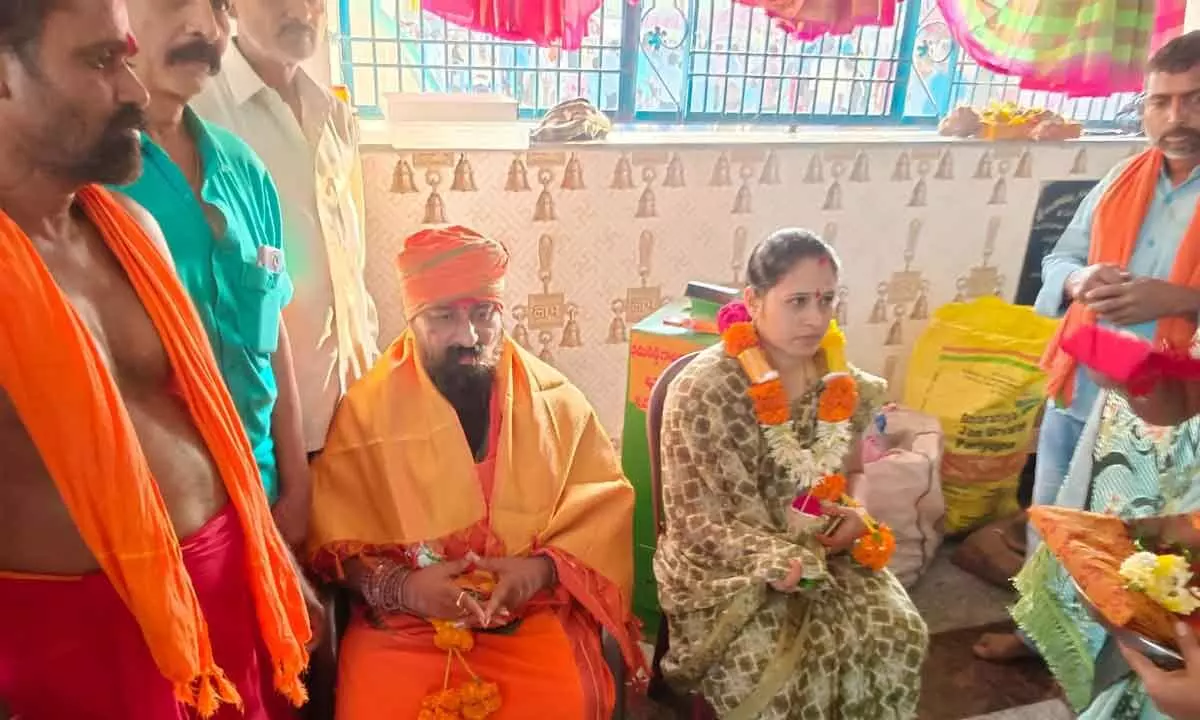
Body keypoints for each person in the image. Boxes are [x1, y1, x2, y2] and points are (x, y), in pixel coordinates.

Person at [0, 1, 317, 718]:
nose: (134, 90)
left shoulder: (130, 227)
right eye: (99, 61)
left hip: (228, 595)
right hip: (82, 647)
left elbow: (208, 416)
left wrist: (272, 557)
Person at [306, 225, 644, 719]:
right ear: (413, 318)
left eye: (483, 314)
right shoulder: (366, 415)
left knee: (563, 703)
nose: (468, 337)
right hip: (408, 624)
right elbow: (335, 546)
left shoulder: (555, 402)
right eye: (444, 317)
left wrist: (536, 572)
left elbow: (602, 512)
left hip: (527, 615)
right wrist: (405, 589)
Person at [977, 29, 1200, 662]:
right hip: (1084, 383)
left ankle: (1123, 662)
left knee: (1137, 546)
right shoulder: (1123, 179)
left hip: (1167, 409)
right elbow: (1064, 256)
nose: (1175, 117)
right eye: (1160, 101)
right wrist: (1078, 280)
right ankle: (1038, 636)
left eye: (1194, 99)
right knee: (1052, 520)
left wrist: (1181, 299)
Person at [653, 228, 928, 719]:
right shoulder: (705, 392)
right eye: (797, 301)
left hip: (824, 549)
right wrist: (778, 559)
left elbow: (855, 471)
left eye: (826, 300)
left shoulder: (839, 382)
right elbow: (698, 522)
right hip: (726, 570)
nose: (815, 318)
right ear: (754, 301)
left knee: (899, 631)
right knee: (789, 668)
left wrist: (856, 511)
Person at [112, 0, 310, 546]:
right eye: (176, 2)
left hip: (263, 498)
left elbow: (273, 334)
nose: (206, 26)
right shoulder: (91, 184)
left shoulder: (243, 168)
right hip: (155, 524)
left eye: (220, 7)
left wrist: (297, 487)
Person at [193, 0, 379, 461]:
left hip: (351, 407)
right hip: (260, 428)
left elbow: (348, 270)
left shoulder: (334, 117)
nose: (300, 9)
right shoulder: (200, 113)